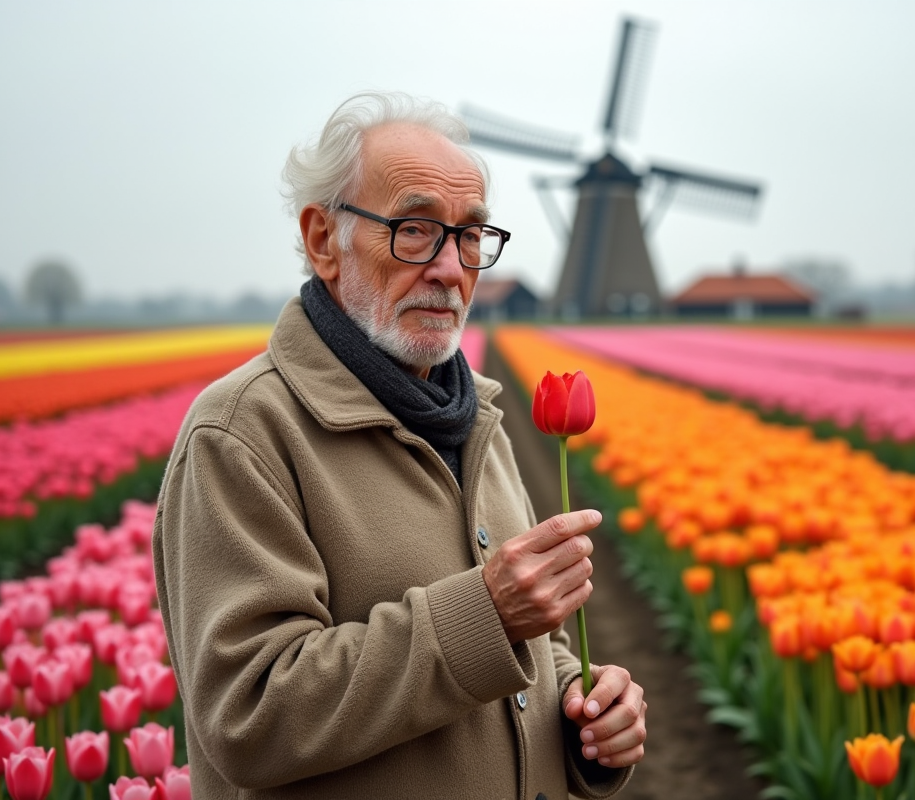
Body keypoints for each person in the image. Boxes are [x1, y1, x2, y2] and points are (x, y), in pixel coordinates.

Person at [152, 92, 646, 799]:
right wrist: (485, 613)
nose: (450, 269)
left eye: (470, 236)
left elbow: (536, 647)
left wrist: (587, 714)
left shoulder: (476, 418)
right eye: (415, 230)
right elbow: (250, 714)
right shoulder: (244, 435)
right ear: (324, 239)